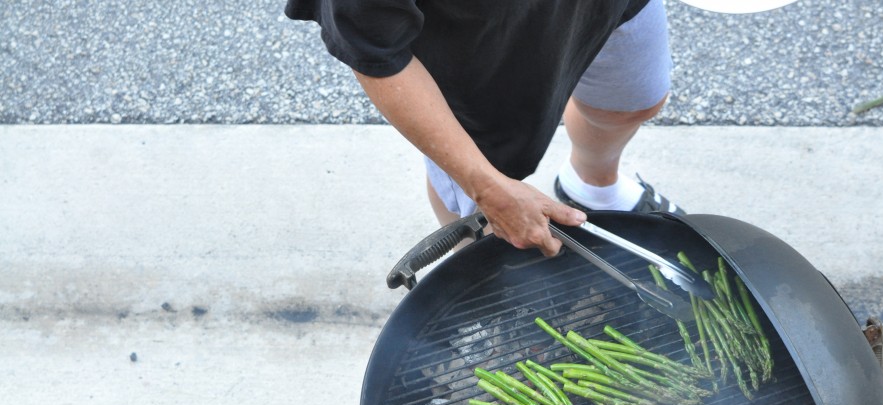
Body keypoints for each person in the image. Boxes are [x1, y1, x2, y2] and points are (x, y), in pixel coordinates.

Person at [283, 0, 686, 257]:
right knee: (480, 193)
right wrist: (488, 188)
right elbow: (374, 48)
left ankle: (593, 185)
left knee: (633, 101)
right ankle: (478, 269)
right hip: (473, 40)